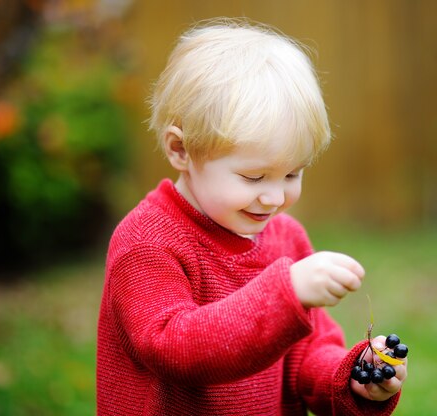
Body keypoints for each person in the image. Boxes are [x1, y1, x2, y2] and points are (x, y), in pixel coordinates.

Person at [97, 17, 407, 416]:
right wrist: (286, 294)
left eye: (293, 173)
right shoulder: (146, 242)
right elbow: (175, 348)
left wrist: (352, 379)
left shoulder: (285, 238)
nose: (275, 196)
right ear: (181, 151)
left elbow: (306, 353)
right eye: (253, 176)